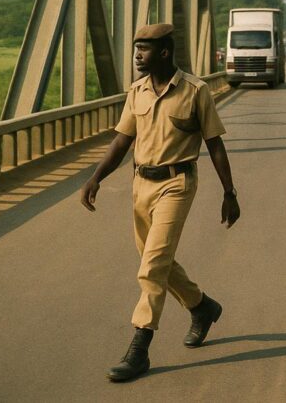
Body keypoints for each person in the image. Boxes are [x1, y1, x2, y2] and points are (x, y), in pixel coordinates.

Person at [79, 23, 240, 382]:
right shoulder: (136, 91)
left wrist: (230, 193)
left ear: (165, 52)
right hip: (141, 184)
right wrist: (95, 178)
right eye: (136, 48)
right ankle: (202, 307)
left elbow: (214, 143)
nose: (137, 55)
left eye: (144, 49)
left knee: (152, 266)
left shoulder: (195, 91)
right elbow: (122, 141)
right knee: (156, 260)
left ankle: (140, 347)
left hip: (177, 183)